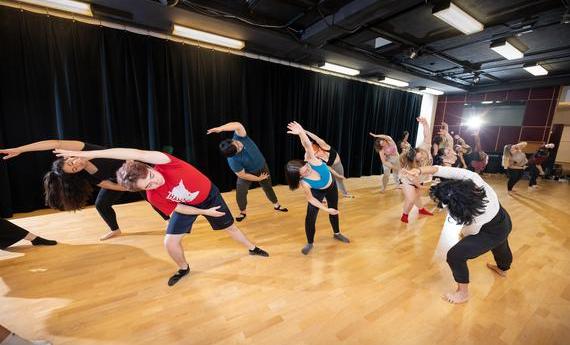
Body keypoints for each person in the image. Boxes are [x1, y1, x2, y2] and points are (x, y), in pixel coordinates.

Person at [53, 147, 269, 286]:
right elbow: (180, 209)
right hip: (189, 205)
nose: (154, 183)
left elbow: (135, 154)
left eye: (151, 178)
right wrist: (203, 213)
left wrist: (91, 155)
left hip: (209, 196)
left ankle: (252, 248)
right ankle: (183, 268)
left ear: (148, 167)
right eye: (147, 186)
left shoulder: (165, 162)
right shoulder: (152, 195)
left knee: (230, 228)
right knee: (169, 242)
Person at [1, 140, 169, 241]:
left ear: (68, 156)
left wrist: (20, 150)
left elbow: (54, 143)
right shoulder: (88, 175)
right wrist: (127, 188)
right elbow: (107, 185)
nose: (77, 165)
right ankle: (115, 230)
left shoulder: (82, 149)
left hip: (135, 168)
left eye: (72, 162)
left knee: (151, 197)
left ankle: (169, 220)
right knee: (101, 204)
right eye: (74, 169)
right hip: (120, 181)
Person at [402, 166, 512, 304]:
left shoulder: (478, 215)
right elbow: (442, 170)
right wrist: (419, 170)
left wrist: (463, 235)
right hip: (504, 220)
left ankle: (463, 293)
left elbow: (469, 232)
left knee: (456, 255)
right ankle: (503, 269)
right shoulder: (474, 180)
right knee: (501, 245)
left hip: (489, 230)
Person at [284, 121, 350, 255]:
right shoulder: (305, 183)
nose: (307, 170)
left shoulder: (311, 159)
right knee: (310, 217)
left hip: (331, 187)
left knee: (334, 210)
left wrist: (301, 132)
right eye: (304, 172)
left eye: (306, 167)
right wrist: (326, 209)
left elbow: (307, 144)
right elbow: (312, 200)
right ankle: (310, 243)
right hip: (317, 192)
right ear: (298, 177)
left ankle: (337, 233)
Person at [207, 122, 288, 221]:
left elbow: (238, 125)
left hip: (262, 167)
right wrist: (258, 178)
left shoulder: (240, 137)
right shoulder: (233, 160)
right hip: (248, 173)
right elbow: (243, 175)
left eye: (236, 143)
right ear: (233, 154)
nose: (240, 146)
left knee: (267, 187)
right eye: (238, 148)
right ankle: (243, 212)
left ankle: (277, 205)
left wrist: (221, 128)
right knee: (241, 191)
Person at [398, 117, 434, 223]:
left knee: (417, 196)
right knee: (411, 199)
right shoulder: (410, 167)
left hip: (419, 180)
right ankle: (404, 215)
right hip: (408, 181)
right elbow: (414, 180)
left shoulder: (424, 148)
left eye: (422, 155)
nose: (423, 158)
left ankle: (421, 209)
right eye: (420, 159)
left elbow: (427, 136)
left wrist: (425, 124)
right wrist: (420, 186)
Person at [304, 130, 354, 198]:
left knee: (340, 181)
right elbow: (329, 168)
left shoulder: (324, 146)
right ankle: (322, 197)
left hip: (338, 165)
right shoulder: (315, 156)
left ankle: (345, 194)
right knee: (326, 181)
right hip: (330, 167)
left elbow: (316, 138)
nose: (310, 145)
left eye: (311, 143)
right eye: (309, 145)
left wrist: (306, 132)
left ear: (314, 144)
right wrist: (338, 175)